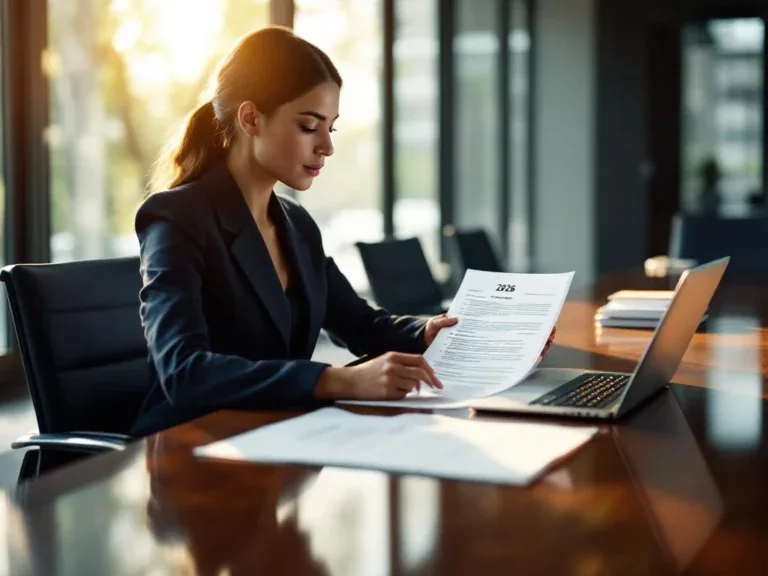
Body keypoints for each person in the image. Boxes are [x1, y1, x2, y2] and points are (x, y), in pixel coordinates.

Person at [131, 26, 554, 437]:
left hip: (276, 436)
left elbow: (360, 324)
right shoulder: (176, 217)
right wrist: (335, 380)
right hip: (191, 449)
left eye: (330, 127)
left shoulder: (295, 224)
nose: (327, 147)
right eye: (308, 126)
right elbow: (183, 372)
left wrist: (430, 332)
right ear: (250, 118)